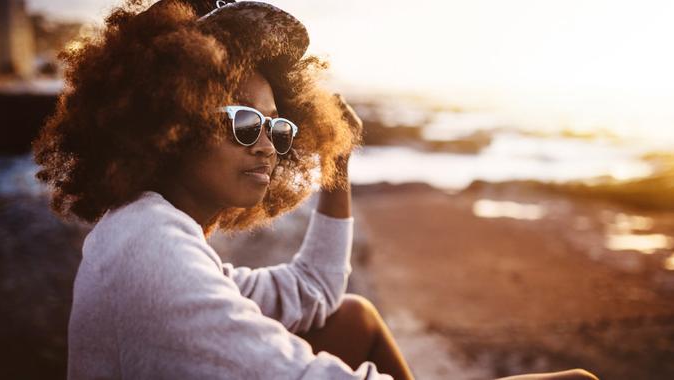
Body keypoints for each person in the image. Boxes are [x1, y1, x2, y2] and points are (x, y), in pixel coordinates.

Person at [33, 0, 597, 379]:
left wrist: (338, 163)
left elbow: (316, 289)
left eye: (278, 128)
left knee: (352, 318)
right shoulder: (149, 249)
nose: (268, 146)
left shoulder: (155, 232)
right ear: (168, 122)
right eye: (244, 122)